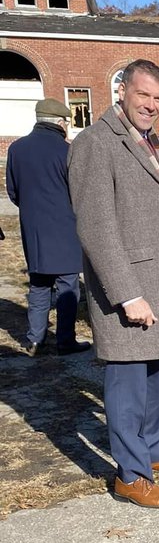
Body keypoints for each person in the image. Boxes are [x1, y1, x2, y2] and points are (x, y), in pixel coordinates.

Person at [67, 59, 159, 509]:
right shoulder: (96, 143)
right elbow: (97, 227)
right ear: (121, 90)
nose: (151, 105)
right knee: (127, 382)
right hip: (128, 287)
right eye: (143, 95)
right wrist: (127, 293)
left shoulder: (150, 141)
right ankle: (130, 474)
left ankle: (154, 451)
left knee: (158, 374)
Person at [5, 97, 90, 357]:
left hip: (33, 229)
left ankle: (34, 340)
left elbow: (12, 191)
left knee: (39, 285)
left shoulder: (17, 149)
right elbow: (80, 192)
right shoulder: (67, 151)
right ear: (61, 123)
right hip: (65, 229)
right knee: (67, 287)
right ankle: (65, 341)